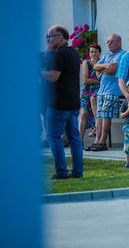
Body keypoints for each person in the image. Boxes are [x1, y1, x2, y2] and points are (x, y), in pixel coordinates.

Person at [41, 24, 84, 179]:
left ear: (60, 37)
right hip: (73, 103)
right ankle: (78, 172)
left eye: (51, 36)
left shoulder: (60, 54)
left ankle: (61, 172)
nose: (48, 39)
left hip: (58, 104)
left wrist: (40, 72)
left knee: (53, 137)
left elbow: (53, 77)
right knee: (74, 139)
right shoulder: (73, 53)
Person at [91, 34, 125, 151]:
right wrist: (105, 65)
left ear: (119, 42)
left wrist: (102, 68)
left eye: (112, 41)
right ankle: (98, 141)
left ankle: (102, 142)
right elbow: (95, 67)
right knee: (100, 116)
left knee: (106, 115)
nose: (108, 44)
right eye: (107, 42)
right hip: (102, 90)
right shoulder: (106, 55)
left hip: (113, 90)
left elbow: (112, 71)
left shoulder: (121, 54)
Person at [79, 44, 101, 150]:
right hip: (87, 91)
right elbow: (86, 79)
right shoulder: (86, 63)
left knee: (96, 112)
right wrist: (98, 81)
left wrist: (97, 66)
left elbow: (101, 78)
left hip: (98, 91)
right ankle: (79, 141)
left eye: (95, 51)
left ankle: (97, 141)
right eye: (91, 51)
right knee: (83, 114)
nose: (93, 54)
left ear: (99, 53)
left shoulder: (102, 63)